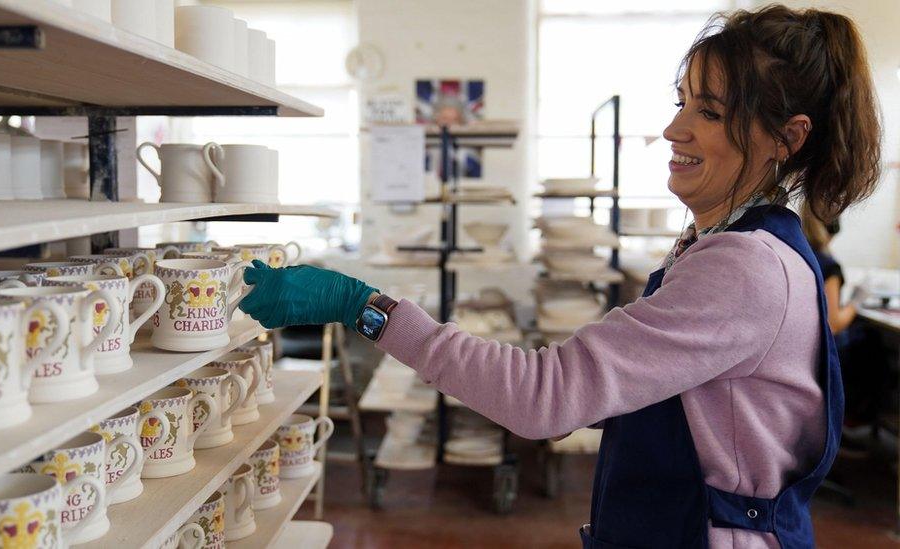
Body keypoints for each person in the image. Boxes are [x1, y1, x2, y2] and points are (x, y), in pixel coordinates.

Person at [239, 5, 881, 548]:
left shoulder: (744, 268)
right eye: (682, 102)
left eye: (710, 113)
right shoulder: (731, 243)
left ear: (786, 139)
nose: (673, 129)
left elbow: (540, 401)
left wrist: (362, 306)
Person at [801, 205, 885, 439]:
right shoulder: (829, 265)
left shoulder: (799, 253)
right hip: (828, 353)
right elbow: (834, 324)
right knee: (871, 339)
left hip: (803, 348)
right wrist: (857, 301)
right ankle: (858, 416)